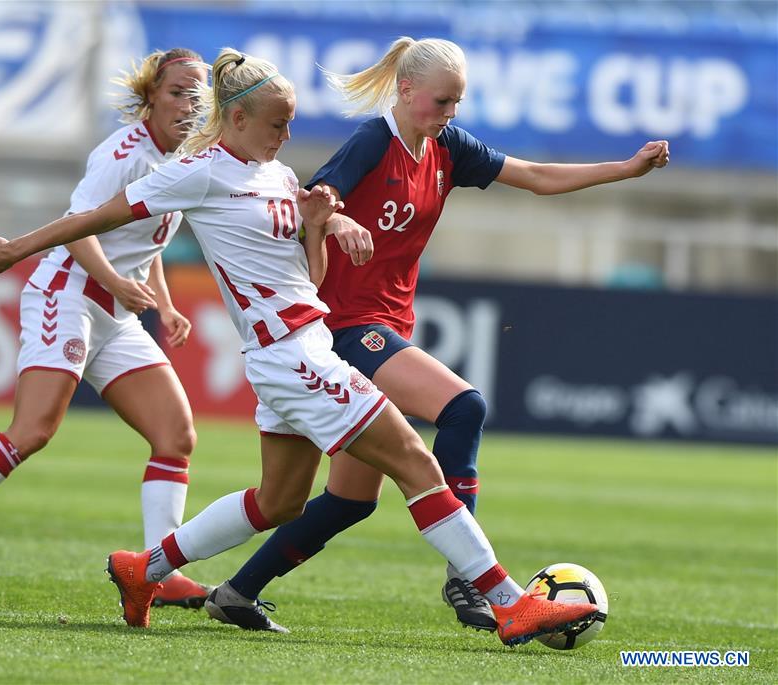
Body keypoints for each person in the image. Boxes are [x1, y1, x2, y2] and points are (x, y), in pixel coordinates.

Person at [0, 47, 598, 648]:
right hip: (292, 354)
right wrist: (18, 247)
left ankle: (141, 568)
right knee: (414, 461)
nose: (286, 135)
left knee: (278, 502)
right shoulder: (196, 172)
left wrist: (323, 224)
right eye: (276, 123)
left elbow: (309, 278)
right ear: (235, 117)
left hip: (300, 344)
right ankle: (510, 601)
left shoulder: (274, 173)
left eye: (289, 123)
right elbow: (98, 214)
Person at [207, 37, 670, 633]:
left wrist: (624, 170)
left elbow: (532, 174)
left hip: (386, 324)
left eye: (458, 102)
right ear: (405, 91)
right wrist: (335, 218)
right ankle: (469, 579)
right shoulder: (373, 142)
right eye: (442, 101)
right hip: (345, 326)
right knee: (464, 407)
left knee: (351, 501)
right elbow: (312, 206)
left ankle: (236, 592)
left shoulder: (447, 146)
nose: (450, 113)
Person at [0, 48, 214, 609]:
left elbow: (148, 240)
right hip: (66, 297)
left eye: (199, 94)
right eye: (177, 92)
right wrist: (119, 284)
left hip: (115, 316)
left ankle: (155, 572)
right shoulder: (122, 153)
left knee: (176, 436)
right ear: (150, 96)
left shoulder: (185, 159)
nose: (188, 104)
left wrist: (163, 305)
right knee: (33, 431)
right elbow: (78, 231)